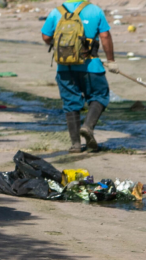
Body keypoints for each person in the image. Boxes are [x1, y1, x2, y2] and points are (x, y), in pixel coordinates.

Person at [40, 0, 116, 153]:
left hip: (64, 67)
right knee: (99, 96)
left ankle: (75, 144)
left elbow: (45, 37)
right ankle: (88, 126)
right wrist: (111, 60)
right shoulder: (95, 10)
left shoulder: (57, 12)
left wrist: (64, 44)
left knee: (70, 102)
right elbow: (105, 36)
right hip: (91, 66)